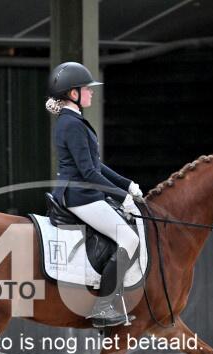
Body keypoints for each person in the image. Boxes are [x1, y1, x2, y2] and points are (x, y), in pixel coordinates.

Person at [46, 61, 144, 328]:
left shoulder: (72, 121)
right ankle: (104, 307)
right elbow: (89, 172)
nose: (91, 92)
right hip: (79, 195)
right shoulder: (72, 124)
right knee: (129, 238)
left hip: (81, 191)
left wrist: (127, 185)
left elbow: (95, 165)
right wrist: (122, 197)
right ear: (73, 93)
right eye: (87, 89)